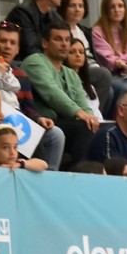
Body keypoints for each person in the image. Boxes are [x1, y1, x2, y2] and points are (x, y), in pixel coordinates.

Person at [21, 21, 99, 167]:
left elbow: (83, 103)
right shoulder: (34, 62)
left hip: (65, 123)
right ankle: (78, 174)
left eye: (67, 40)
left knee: (97, 129)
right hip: (42, 123)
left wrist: (90, 118)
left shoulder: (71, 74)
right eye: (58, 39)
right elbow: (52, 93)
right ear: (45, 43)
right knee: (82, 127)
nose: (64, 44)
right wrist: (79, 113)